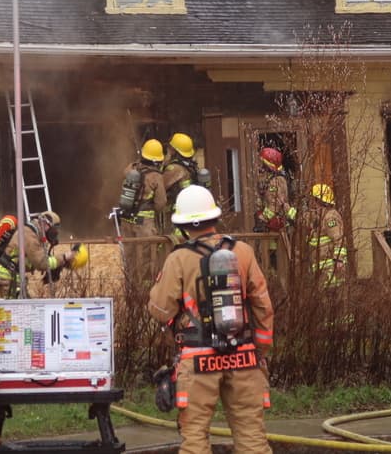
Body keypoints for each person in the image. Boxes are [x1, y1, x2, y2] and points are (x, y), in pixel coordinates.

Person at [148, 186, 274, 454]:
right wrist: (259, 352)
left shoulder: (179, 258)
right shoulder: (243, 252)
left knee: (194, 438)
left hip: (198, 358)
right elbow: (263, 305)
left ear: (182, 225)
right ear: (214, 218)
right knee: (252, 437)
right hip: (244, 356)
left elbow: (161, 309)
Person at [0, 211, 81, 298]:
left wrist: (61, 263)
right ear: (45, 224)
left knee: (26, 308)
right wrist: (64, 257)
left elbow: (41, 258)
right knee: (18, 311)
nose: (55, 233)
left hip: (14, 276)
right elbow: (41, 263)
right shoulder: (29, 235)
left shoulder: (35, 234)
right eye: (54, 229)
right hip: (8, 278)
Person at [118, 139, 168, 238]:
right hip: (144, 223)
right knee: (146, 252)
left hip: (126, 219)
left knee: (128, 252)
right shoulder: (156, 176)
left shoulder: (130, 169)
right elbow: (161, 203)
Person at [307, 184, 347, 287]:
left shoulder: (330, 217)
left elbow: (338, 239)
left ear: (318, 201)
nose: (311, 203)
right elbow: (302, 218)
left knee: (333, 299)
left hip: (331, 268)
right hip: (321, 267)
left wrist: (339, 259)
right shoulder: (319, 216)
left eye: (313, 199)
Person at [254, 147, 296, 233]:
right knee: (272, 246)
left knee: (277, 245)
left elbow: (275, 203)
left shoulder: (276, 181)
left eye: (262, 164)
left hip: (278, 224)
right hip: (274, 224)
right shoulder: (272, 179)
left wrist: (263, 219)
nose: (260, 167)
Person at [162, 132, 199, 211]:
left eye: (169, 148)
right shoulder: (190, 166)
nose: (167, 150)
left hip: (178, 213)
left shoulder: (175, 169)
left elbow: (159, 187)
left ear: (174, 151)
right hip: (189, 209)